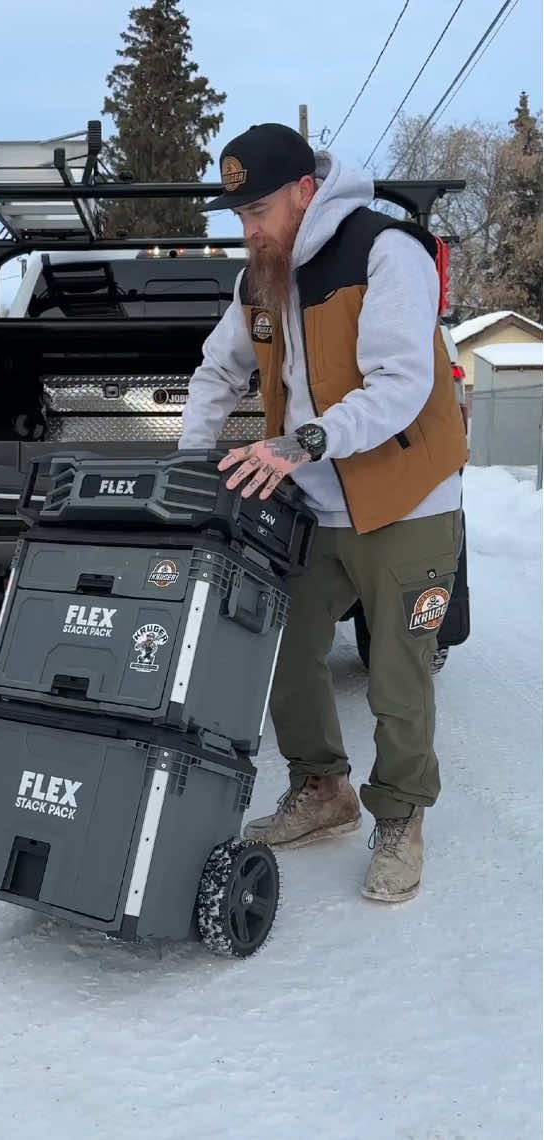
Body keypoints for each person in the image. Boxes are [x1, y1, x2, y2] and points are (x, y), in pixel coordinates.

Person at [178, 123, 467, 903]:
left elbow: (401, 382)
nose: (249, 228)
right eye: (238, 215)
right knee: (280, 651)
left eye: (260, 209)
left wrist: (303, 442)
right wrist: (185, 463)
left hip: (406, 502)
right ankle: (322, 789)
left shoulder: (382, 251)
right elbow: (217, 371)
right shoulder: (259, 279)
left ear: (305, 190)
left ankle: (401, 818)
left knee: (396, 674)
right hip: (314, 506)